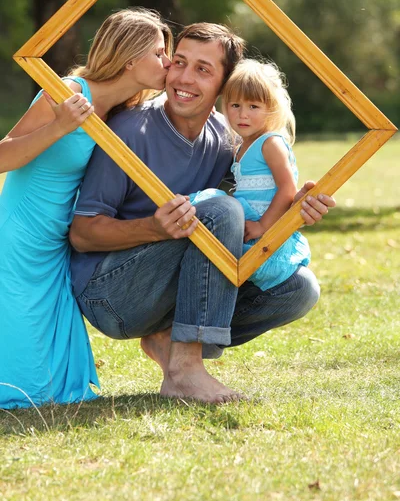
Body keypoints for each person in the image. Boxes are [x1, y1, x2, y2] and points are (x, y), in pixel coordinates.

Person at [69, 23, 335, 405]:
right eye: (179, 62)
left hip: (169, 291)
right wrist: (155, 227)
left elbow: (259, 197)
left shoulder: (228, 140)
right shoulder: (130, 130)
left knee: (299, 289)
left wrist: (299, 205)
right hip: (110, 294)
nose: (184, 78)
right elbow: (82, 233)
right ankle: (185, 372)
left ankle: (169, 342)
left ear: (225, 86)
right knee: (220, 209)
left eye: (203, 69)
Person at [0, 8, 173, 409]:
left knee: (55, 388)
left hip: (60, 242)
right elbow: (3, 157)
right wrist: (58, 126)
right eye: (160, 53)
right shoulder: (67, 91)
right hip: (20, 234)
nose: (167, 63)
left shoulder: (124, 112)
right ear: (130, 59)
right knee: (21, 364)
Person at [191, 58, 311, 292]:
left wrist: (262, 226)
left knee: (211, 199)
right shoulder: (243, 145)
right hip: (250, 217)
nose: (242, 115)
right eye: (235, 105)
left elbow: (287, 189)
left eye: (253, 107)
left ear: (271, 109)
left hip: (262, 220)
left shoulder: (270, 143)